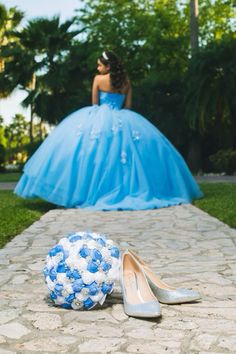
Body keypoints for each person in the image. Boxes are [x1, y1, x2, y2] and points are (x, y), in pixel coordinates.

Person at [15, 50, 203, 210]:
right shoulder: (126, 82)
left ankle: (83, 193)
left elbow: (95, 104)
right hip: (125, 119)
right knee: (127, 160)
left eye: (99, 65)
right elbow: (128, 107)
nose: (97, 68)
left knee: (90, 156)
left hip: (99, 117)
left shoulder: (98, 79)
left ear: (107, 66)